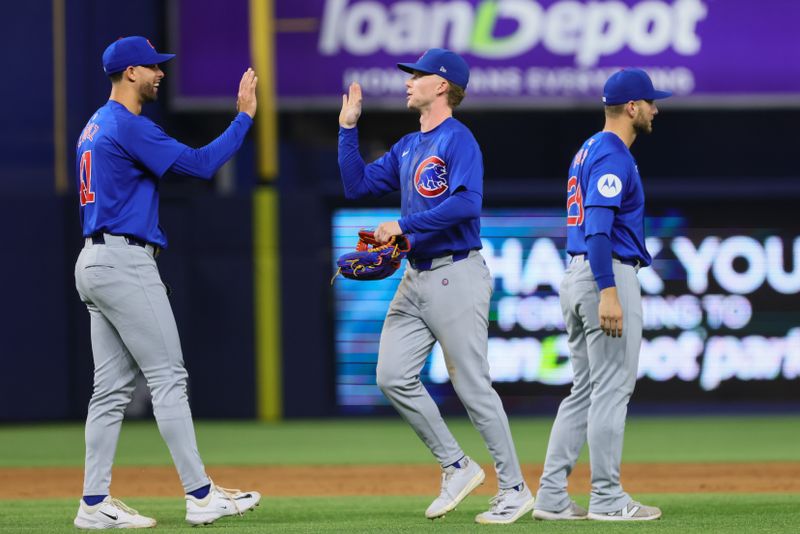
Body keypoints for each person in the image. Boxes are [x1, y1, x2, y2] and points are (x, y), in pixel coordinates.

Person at [337, 48, 533, 524]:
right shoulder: (408, 146)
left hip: (456, 273)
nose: (409, 82)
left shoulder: (458, 140)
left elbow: (468, 205)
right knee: (390, 375)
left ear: (441, 85)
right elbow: (357, 186)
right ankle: (456, 465)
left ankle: (514, 488)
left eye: (418, 75)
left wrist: (404, 225)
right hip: (416, 277)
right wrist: (347, 129)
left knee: (472, 386)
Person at [73, 36, 261, 529]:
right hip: (123, 261)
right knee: (169, 379)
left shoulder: (94, 124)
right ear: (130, 72)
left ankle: (93, 504)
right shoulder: (125, 124)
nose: (160, 73)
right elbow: (199, 166)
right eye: (152, 67)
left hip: (94, 260)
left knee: (110, 391)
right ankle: (201, 496)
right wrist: (243, 118)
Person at [532, 68, 671, 522]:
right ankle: (608, 499)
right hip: (603, 273)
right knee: (611, 390)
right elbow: (597, 228)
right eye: (651, 102)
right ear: (632, 107)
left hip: (576, 275)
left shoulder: (588, 148)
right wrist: (609, 291)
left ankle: (552, 497)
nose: (656, 109)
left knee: (585, 390)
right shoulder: (613, 154)